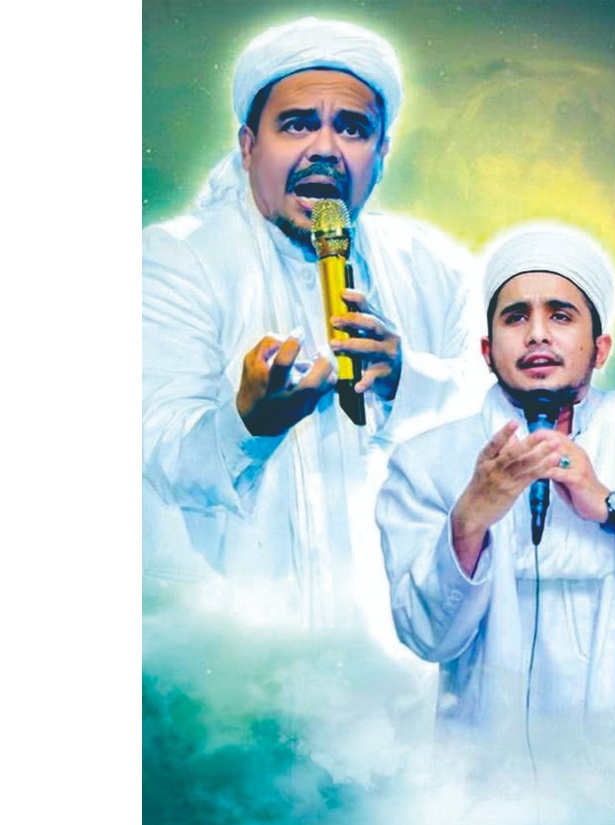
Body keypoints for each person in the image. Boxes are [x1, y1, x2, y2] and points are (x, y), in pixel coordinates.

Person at [142, 17, 486, 631]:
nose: (325, 148)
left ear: (381, 153)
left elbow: (500, 418)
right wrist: (248, 422)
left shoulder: (433, 267)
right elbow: (153, 449)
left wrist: (405, 378)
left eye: (352, 128)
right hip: (230, 646)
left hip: (396, 644)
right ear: (249, 145)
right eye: (298, 123)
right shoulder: (178, 258)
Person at [376, 223, 615, 804]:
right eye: (515, 317)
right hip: (496, 786)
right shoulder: (425, 463)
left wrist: (613, 508)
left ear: (599, 348)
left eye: (560, 315)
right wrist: (469, 521)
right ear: (488, 351)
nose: (536, 334)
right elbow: (426, 637)